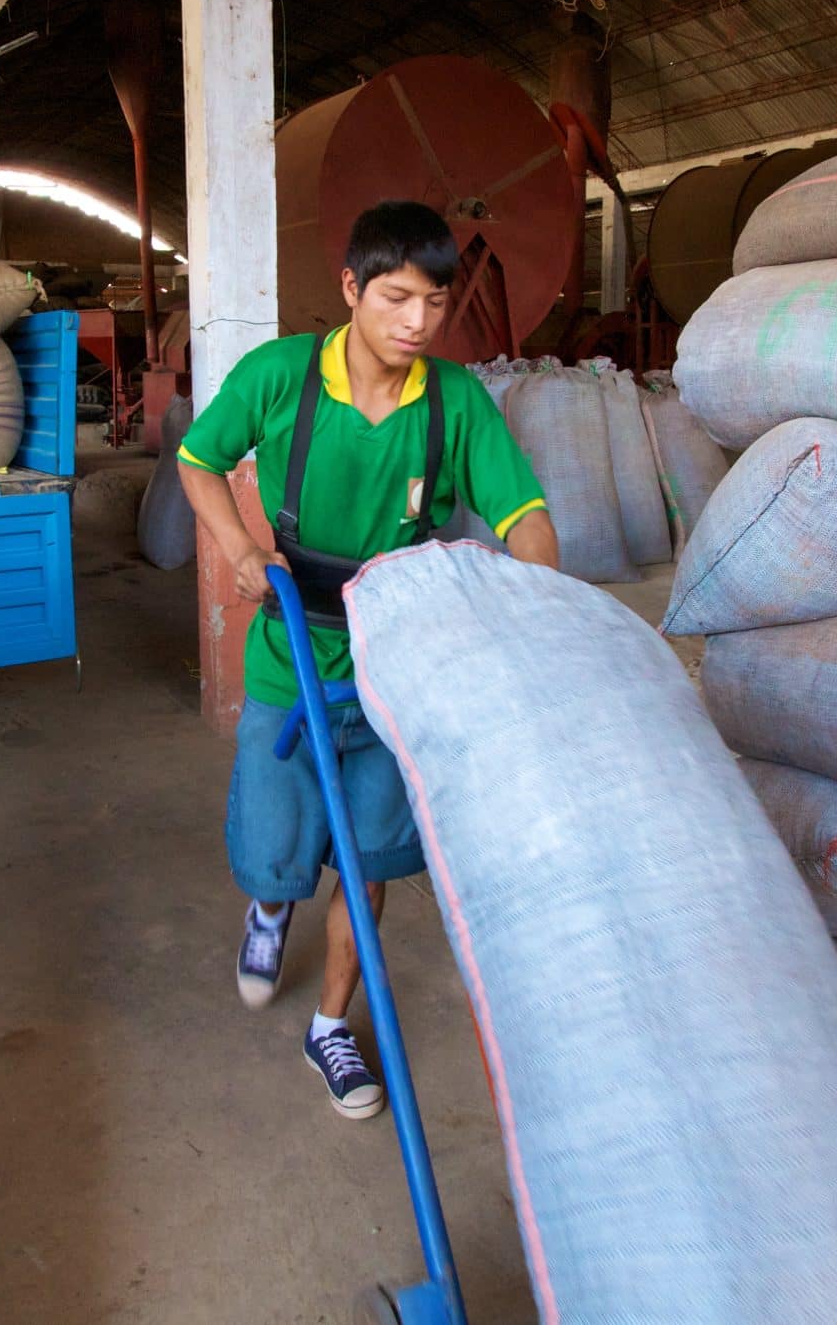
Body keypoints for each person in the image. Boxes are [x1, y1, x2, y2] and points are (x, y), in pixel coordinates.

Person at [174, 200, 559, 1119]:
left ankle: (332, 1027)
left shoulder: (455, 399)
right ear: (350, 289)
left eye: (434, 301)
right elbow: (197, 458)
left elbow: (526, 520)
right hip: (290, 643)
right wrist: (236, 546)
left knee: (372, 860)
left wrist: (541, 604)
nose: (417, 322)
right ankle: (270, 910)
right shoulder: (280, 378)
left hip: (398, 659)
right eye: (395, 298)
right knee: (276, 850)